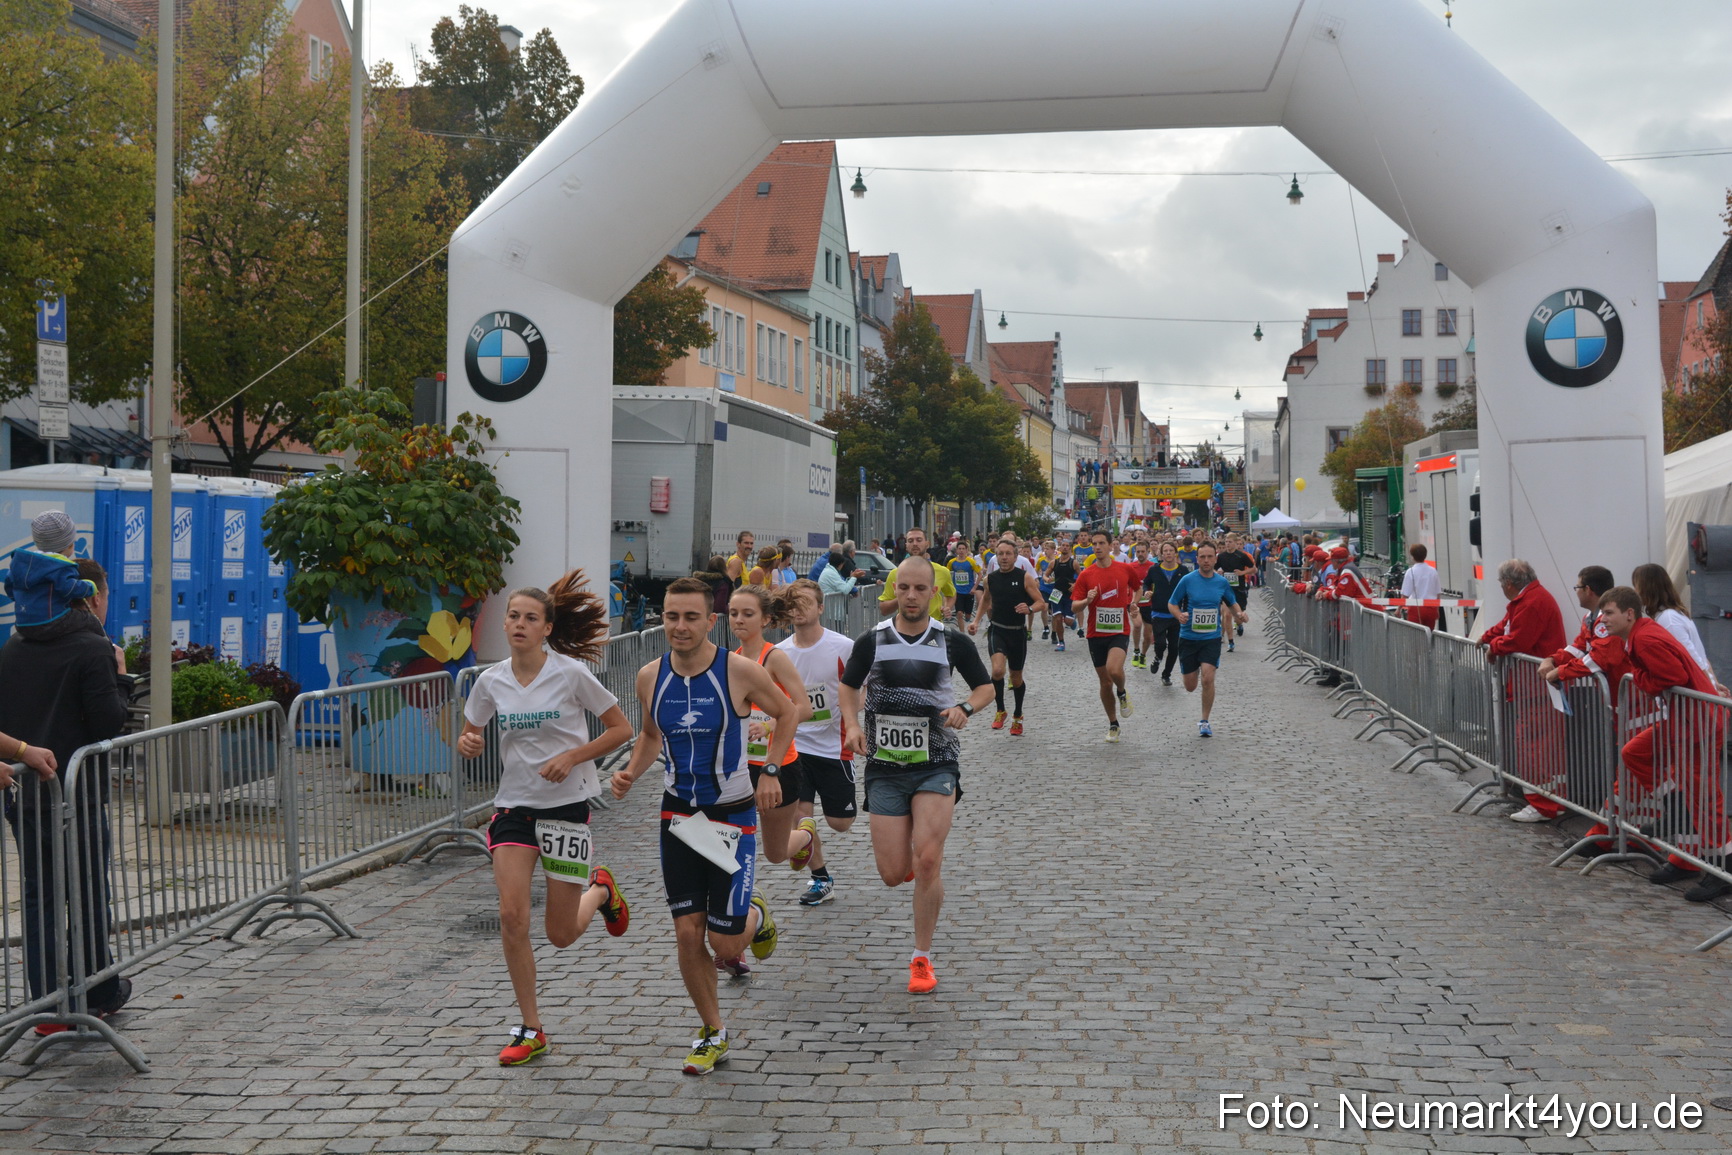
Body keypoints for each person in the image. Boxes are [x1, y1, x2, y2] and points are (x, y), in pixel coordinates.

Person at [610, 577, 800, 1074]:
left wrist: (772, 770)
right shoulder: (650, 676)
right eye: (671, 616)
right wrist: (631, 770)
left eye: (691, 617)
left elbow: (788, 712)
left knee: (727, 944)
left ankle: (755, 913)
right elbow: (651, 735)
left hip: (732, 816)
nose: (680, 626)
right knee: (687, 934)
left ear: (710, 620)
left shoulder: (737, 671)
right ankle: (712, 1031)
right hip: (679, 817)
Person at [458, 574, 634, 1066]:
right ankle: (531, 1027)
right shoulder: (489, 681)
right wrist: (468, 742)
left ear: (547, 628)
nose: (518, 624)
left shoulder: (571, 673)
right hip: (513, 807)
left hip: (567, 808)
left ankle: (600, 889)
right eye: (513, 616)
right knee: (512, 916)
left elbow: (621, 728)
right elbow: (470, 734)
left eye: (529, 618)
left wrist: (575, 756)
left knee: (560, 933)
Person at [839, 557, 994, 993]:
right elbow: (849, 687)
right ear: (895, 591)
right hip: (885, 768)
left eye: (919, 589)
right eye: (903, 588)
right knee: (892, 873)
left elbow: (986, 689)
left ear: (935, 594)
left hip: (936, 762)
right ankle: (906, 859)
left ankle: (921, 958)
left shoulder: (953, 642)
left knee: (928, 860)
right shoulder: (872, 641)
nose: (910, 596)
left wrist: (964, 708)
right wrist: (851, 724)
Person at [0, 554, 133, 1032]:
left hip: (26, 793)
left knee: (40, 897)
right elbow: (108, 722)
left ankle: (47, 1004)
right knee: (89, 891)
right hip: (75, 792)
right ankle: (98, 991)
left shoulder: (13, 647)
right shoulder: (92, 648)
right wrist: (121, 675)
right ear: (86, 596)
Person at [1598, 587, 1732, 901]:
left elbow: (1670, 675)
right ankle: (1675, 809)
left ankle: (1720, 868)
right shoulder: (1642, 634)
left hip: (1697, 722)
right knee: (1636, 752)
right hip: (1688, 719)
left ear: (1629, 614)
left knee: (1703, 797)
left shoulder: (1644, 637)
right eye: (1603, 613)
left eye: (1609, 613)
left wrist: (1641, 678)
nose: (1603, 620)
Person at [775, 580, 859, 906]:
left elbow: (862, 687)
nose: (799, 608)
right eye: (793, 603)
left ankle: (809, 838)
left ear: (821, 608)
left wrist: (850, 711)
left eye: (806, 602)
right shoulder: (780, 653)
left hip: (835, 746)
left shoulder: (843, 647)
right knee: (801, 815)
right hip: (796, 747)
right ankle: (821, 878)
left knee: (841, 823)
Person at [1538, 565, 1629, 857]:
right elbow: (1580, 649)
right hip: (1621, 705)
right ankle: (1616, 833)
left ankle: (1609, 835)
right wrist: (1553, 659)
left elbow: (1601, 657)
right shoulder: (1593, 618)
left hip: (1632, 705)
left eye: (1577, 587)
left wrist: (1561, 672)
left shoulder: (1604, 620)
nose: (1576, 592)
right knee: (1632, 774)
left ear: (1588, 590)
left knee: (1629, 773)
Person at [727, 585, 813, 877]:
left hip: (779, 765)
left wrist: (767, 725)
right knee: (732, 842)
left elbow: (804, 707)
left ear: (764, 620)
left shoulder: (774, 658)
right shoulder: (732, 660)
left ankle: (805, 835)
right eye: (733, 613)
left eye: (747, 614)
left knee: (775, 854)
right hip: (740, 767)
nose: (739, 619)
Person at [1479, 558, 1569, 823]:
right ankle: (1551, 801)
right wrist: (1488, 638)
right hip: (1532, 686)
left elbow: (1518, 638)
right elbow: (1507, 626)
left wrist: (1493, 645)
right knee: (1541, 747)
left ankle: (1543, 805)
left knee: (1534, 747)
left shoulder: (1531, 602)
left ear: (1508, 584)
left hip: (1534, 688)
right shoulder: (1529, 599)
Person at [1167, 542, 1247, 737]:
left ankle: (1204, 720)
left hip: (1211, 638)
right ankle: (1189, 670)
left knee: (1208, 677)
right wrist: (1179, 615)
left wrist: (1239, 614)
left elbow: (1232, 601)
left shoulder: (1221, 582)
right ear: (1197, 558)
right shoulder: (1187, 580)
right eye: (1202, 557)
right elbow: (1172, 603)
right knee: (1190, 685)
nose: (1206, 560)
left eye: (1210, 557)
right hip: (1188, 637)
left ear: (1215, 558)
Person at [1070, 529, 1139, 742]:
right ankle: (1113, 724)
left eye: (1101, 543)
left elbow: (1137, 588)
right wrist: (1087, 601)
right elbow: (1074, 606)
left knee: (1114, 670)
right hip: (1095, 633)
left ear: (1111, 546)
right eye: (1094, 544)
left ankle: (1122, 692)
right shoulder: (1086, 574)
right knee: (1104, 682)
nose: (1097, 547)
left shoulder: (1125, 569)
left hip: (1119, 630)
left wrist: (1133, 603)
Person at [970, 539, 1042, 736]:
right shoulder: (990, 579)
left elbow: (1041, 603)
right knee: (997, 670)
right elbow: (986, 600)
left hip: (1017, 632)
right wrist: (976, 622)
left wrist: (1029, 608)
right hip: (997, 630)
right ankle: (1000, 710)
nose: (1003, 557)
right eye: (1000, 553)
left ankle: (1017, 715)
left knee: (1016, 678)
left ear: (1015, 556)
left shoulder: (1024, 577)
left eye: (1008, 553)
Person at [1631, 563, 1716, 683]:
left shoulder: (1668, 619)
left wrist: (1711, 687)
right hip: (1702, 688)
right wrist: (1715, 684)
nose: (1635, 591)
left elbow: (1691, 657)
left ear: (1647, 588)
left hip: (1697, 690)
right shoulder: (1675, 614)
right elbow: (1701, 656)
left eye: (1636, 586)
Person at [877, 527, 956, 620]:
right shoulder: (896, 574)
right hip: (905, 630)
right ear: (906, 545)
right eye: (910, 541)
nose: (915, 544)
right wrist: (903, 597)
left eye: (919, 540)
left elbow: (951, 594)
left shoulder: (942, 571)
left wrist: (947, 607)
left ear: (927, 544)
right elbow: (884, 610)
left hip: (934, 629)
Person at [1141, 541, 1190, 686]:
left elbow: (1187, 592)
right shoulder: (1154, 570)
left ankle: (1166, 674)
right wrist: (1146, 591)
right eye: (1165, 551)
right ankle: (1157, 657)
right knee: (1161, 643)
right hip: (1158, 613)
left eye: (1170, 550)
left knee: (1174, 648)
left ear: (1175, 553)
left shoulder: (1183, 570)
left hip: (1176, 615)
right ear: (1161, 554)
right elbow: (1146, 583)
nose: (1168, 553)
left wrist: (1185, 611)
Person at [1213, 534, 1255, 653]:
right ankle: (1231, 642)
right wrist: (1218, 573)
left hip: (1239, 589)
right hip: (1226, 590)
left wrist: (1242, 572)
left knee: (1238, 616)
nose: (1227, 544)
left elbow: (1254, 569)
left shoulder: (1242, 556)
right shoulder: (1221, 556)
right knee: (1226, 615)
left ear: (1236, 543)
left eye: (1230, 541)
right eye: (1226, 541)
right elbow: (1214, 569)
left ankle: (1239, 624)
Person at [1123, 542, 1153, 668]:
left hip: (1149, 604)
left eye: (1143, 551)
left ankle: (1143, 655)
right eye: (1138, 551)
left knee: (1147, 635)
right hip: (1134, 603)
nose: (1140, 554)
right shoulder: (1130, 567)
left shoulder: (1153, 567)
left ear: (1147, 552)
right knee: (1137, 624)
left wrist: (1152, 592)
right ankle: (1136, 650)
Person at [1400, 543, 1442, 630]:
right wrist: (1437, 610)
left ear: (1413, 557)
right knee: (1429, 635)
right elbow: (1438, 593)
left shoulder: (1411, 572)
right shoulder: (1433, 571)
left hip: (1416, 608)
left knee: (1415, 636)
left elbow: (1405, 595)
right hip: (1431, 608)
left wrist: (1398, 608)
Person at [1048, 543, 1078, 652]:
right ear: (1059, 548)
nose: (1064, 547)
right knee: (1058, 618)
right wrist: (1047, 579)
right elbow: (1045, 575)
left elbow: (1082, 577)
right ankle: (1061, 642)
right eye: (1063, 546)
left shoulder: (1073, 563)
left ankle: (1072, 621)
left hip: (1069, 594)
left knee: (1068, 621)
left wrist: (1075, 585)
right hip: (1056, 592)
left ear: (1070, 549)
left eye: (1067, 546)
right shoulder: (1054, 563)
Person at [948, 539, 982, 623]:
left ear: (967, 550)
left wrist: (974, 588)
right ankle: (962, 632)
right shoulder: (952, 562)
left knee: (968, 615)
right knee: (959, 613)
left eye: (963, 549)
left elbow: (980, 575)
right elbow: (947, 574)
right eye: (959, 549)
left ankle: (967, 620)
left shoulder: (971, 562)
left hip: (969, 591)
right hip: (957, 591)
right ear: (956, 550)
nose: (961, 551)